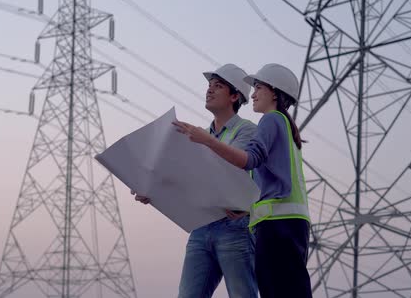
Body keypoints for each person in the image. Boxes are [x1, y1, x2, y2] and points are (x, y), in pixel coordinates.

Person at [173, 63, 312, 298]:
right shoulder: (283, 125)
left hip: (276, 223)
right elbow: (256, 179)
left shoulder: (269, 121)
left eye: (259, 87)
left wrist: (208, 141)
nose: (254, 93)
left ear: (275, 92)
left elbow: (248, 161)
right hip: (285, 223)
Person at [133, 63, 259, 298]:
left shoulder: (247, 130)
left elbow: (232, 168)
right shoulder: (200, 135)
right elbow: (190, 180)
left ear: (235, 96)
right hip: (201, 229)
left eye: (218, 86)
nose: (209, 90)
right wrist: (153, 191)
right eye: (209, 85)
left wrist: (203, 143)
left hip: (235, 229)